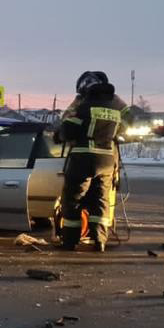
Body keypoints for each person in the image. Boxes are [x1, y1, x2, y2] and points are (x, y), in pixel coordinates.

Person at [58, 73, 127, 251]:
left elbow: (67, 129)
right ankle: (100, 240)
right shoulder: (116, 108)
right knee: (101, 201)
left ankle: (70, 241)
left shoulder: (84, 106)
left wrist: (61, 135)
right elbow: (126, 129)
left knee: (72, 200)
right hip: (107, 161)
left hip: (83, 158)